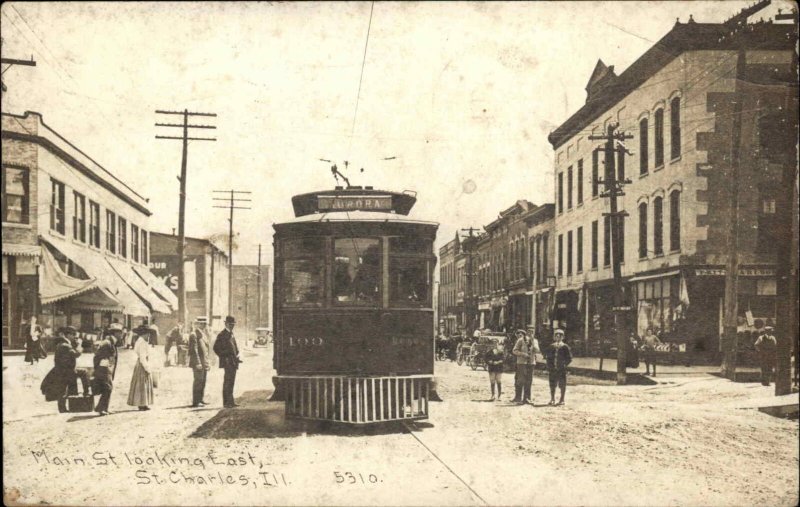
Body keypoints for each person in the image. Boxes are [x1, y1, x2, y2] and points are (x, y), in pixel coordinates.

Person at [40, 327, 90, 413]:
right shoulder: (65, 345)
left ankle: (63, 408)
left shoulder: (64, 344)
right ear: (68, 335)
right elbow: (76, 354)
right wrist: (79, 345)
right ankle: (86, 393)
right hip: (66, 371)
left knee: (63, 389)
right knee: (83, 373)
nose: (75, 337)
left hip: (62, 370)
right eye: (73, 335)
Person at [213, 316, 241, 408]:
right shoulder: (222, 335)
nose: (232, 326)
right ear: (226, 324)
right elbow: (216, 348)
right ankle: (226, 403)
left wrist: (237, 354)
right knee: (227, 382)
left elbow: (234, 347)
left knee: (231, 382)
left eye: (233, 325)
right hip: (227, 362)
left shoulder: (231, 334)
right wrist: (225, 355)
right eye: (230, 324)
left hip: (233, 362)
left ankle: (231, 401)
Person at [93, 324, 120, 416]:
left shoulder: (111, 342)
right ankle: (101, 409)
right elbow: (97, 355)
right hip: (103, 369)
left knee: (107, 388)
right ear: (115, 333)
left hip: (107, 368)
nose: (121, 335)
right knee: (108, 388)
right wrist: (99, 366)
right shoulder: (107, 342)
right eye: (119, 333)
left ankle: (103, 408)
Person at [127, 323, 154, 411]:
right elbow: (142, 357)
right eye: (148, 334)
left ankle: (143, 403)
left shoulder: (141, 341)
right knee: (142, 384)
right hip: (142, 364)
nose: (149, 336)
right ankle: (141, 403)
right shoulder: (142, 342)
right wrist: (147, 368)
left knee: (142, 383)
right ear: (144, 334)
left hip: (141, 363)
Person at [511, 329, 540, 404]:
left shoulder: (535, 341)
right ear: (527, 333)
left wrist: (533, 342)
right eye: (529, 332)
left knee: (529, 381)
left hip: (531, 363)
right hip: (521, 363)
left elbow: (537, 351)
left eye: (532, 332)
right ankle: (518, 398)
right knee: (521, 380)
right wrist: (523, 354)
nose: (530, 334)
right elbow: (514, 350)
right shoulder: (521, 340)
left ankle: (527, 398)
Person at [545, 329, 573, 405]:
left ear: (562, 337)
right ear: (554, 337)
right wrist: (549, 366)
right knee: (552, 384)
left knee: (562, 384)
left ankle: (562, 399)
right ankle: (552, 399)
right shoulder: (551, 346)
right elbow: (548, 357)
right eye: (556, 335)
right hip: (553, 369)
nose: (558, 337)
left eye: (560, 336)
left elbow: (569, 358)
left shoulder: (565, 346)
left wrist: (564, 365)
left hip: (561, 369)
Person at [188, 316, 211, 407]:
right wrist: (197, 362)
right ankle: (196, 401)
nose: (203, 325)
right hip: (198, 363)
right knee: (198, 381)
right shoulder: (194, 334)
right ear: (197, 324)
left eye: (204, 323)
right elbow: (194, 350)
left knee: (203, 381)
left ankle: (200, 399)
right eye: (201, 323)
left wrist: (207, 362)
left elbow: (206, 350)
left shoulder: (203, 334)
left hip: (203, 362)